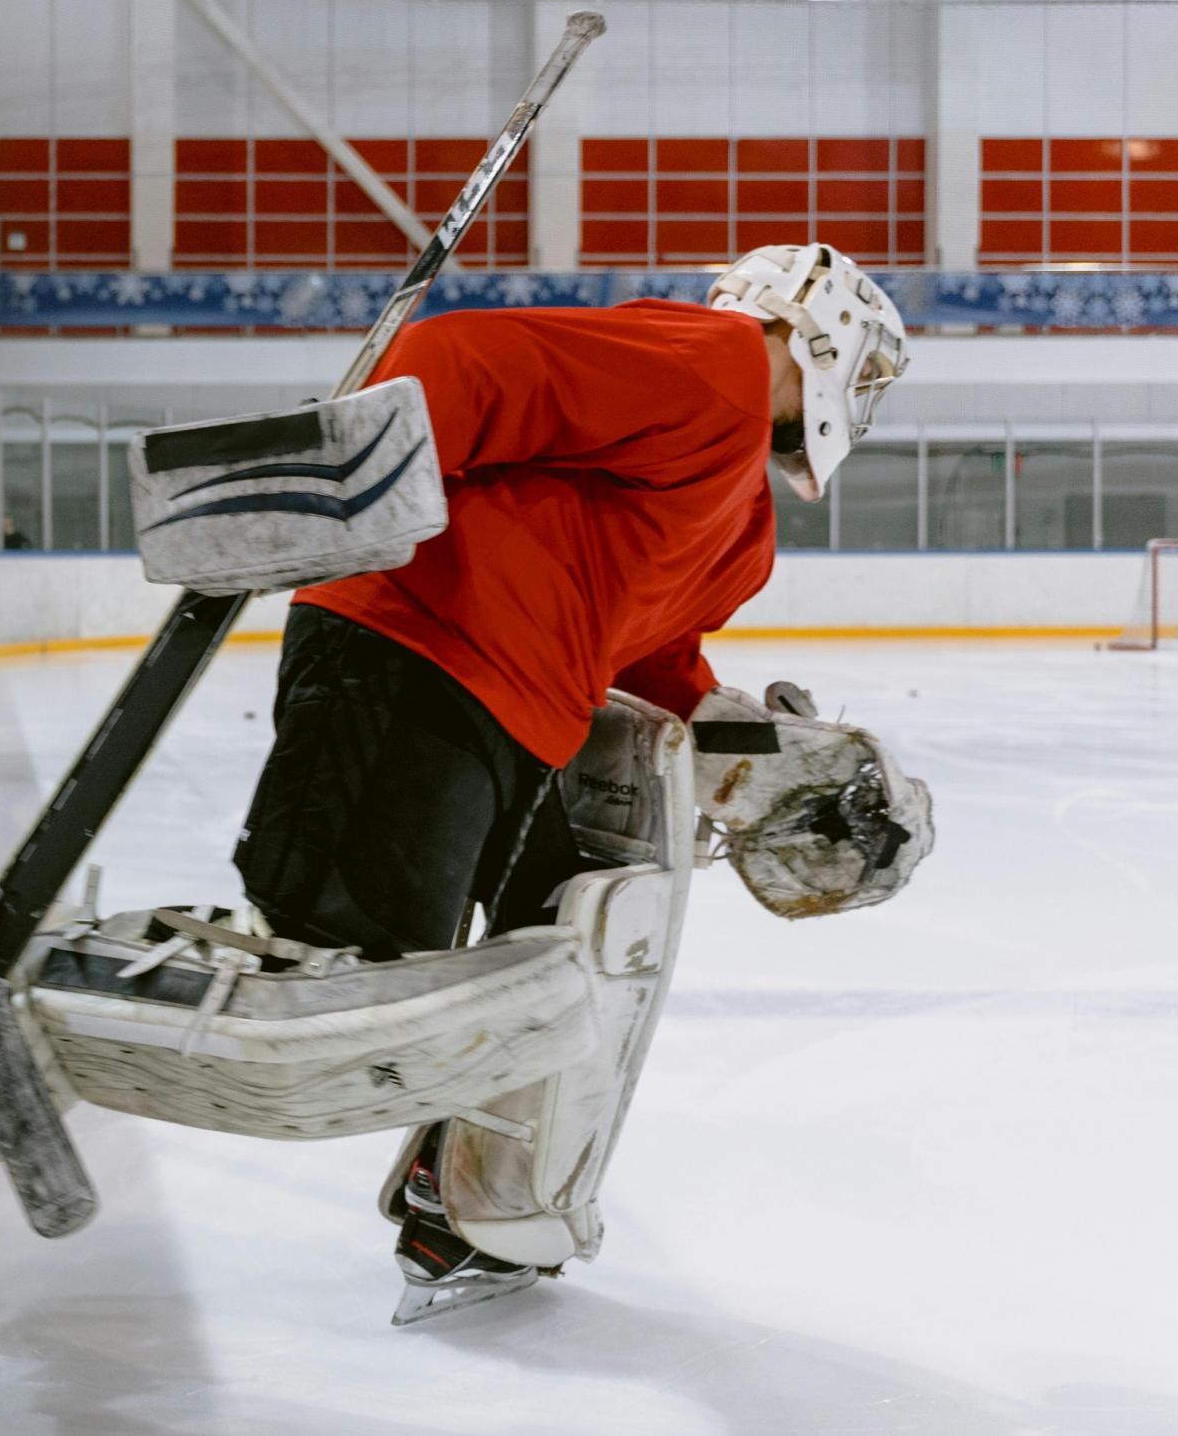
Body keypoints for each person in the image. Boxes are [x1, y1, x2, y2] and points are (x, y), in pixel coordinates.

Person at [225, 243, 915, 1312]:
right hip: (419, 647)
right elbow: (458, 360)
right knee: (346, 966)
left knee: (562, 954)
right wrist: (342, 496)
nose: (860, 398)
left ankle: (468, 1199)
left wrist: (771, 762)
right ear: (806, 329)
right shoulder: (716, 362)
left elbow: (653, 661)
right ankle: (87, 1010)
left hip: (526, 715)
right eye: (863, 370)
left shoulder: (743, 532)